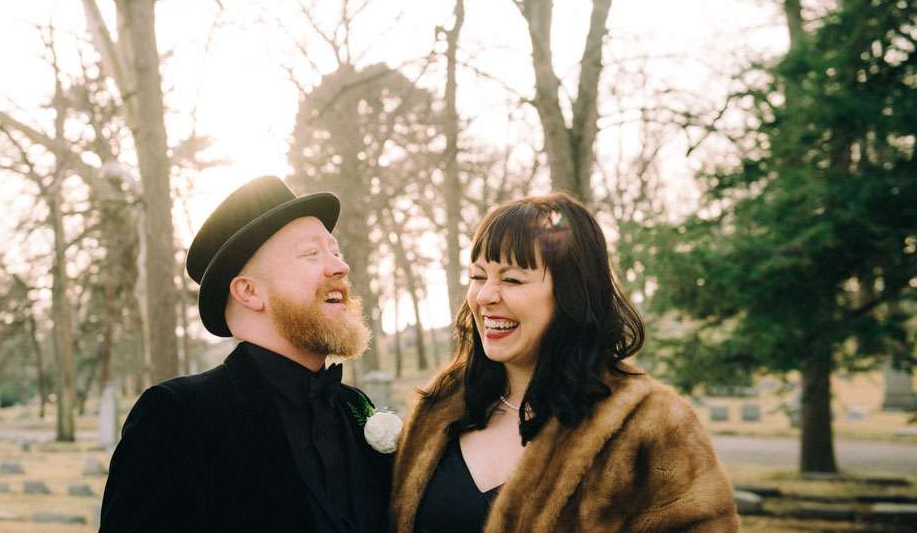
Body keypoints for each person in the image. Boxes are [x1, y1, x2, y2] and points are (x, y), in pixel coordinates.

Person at [391, 192, 739, 532]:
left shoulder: (650, 424)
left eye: (512, 279)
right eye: (478, 277)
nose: (485, 296)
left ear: (572, 292)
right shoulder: (438, 410)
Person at [100, 176, 392, 532]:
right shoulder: (176, 417)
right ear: (250, 292)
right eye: (311, 254)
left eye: (335, 251)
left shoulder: (354, 407)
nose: (340, 267)